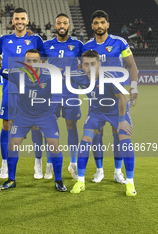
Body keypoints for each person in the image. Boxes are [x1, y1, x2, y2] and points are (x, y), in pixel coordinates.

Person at [69, 50, 136, 196]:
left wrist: (121, 121)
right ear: (82, 65)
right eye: (86, 64)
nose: (89, 68)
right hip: (96, 112)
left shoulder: (109, 77)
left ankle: (130, 182)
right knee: (86, 140)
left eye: (93, 64)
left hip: (115, 111)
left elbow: (123, 99)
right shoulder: (79, 76)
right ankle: (81, 181)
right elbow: (56, 75)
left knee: (125, 140)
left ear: (99, 64)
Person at [82, 10, 138, 184]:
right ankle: (99, 171)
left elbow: (132, 66)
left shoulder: (119, 42)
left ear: (108, 24)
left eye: (102, 22)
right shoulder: (86, 46)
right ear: (92, 25)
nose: (99, 26)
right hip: (97, 99)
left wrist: (134, 87)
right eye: (96, 23)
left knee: (119, 134)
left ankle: (117, 171)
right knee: (97, 134)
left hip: (117, 96)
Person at [0, 49, 67, 192]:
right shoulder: (18, 75)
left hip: (46, 115)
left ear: (41, 62)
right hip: (23, 115)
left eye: (35, 61)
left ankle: (58, 180)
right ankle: (11, 179)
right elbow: (2, 71)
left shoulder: (49, 76)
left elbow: (66, 74)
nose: (31, 64)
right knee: (13, 143)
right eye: (28, 61)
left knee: (54, 144)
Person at [0, 8, 44, 179]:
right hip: (10, 90)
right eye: (17, 18)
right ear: (12, 21)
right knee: (7, 126)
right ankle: (5, 164)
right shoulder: (4, 40)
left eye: (23, 18)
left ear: (27, 20)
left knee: (36, 126)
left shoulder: (36, 40)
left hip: (32, 90)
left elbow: (44, 60)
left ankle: (38, 163)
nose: (20, 21)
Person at [40, 13, 83, 180]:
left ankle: (73, 164)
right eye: (59, 23)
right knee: (50, 129)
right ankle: (50, 164)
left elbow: (87, 64)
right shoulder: (46, 45)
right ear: (55, 26)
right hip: (51, 94)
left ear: (69, 25)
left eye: (65, 23)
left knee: (72, 127)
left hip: (71, 93)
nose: (62, 25)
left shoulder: (78, 45)